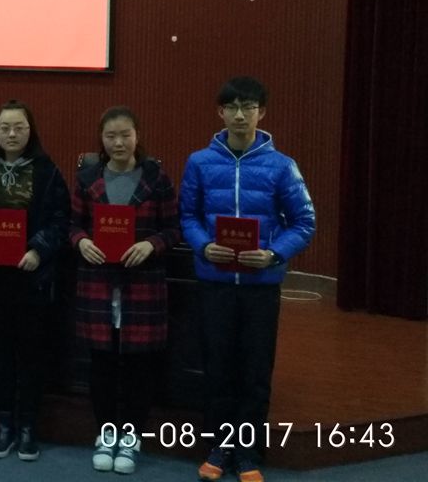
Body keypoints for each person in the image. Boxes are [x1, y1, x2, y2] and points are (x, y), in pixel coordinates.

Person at [180, 77, 315, 482]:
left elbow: (304, 222)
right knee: (217, 368)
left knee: (255, 372)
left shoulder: (281, 166)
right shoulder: (199, 162)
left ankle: (249, 453)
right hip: (215, 284)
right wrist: (204, 246)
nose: (240, 115)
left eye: (249, 107)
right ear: (220, 112)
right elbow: (188, 216)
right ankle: (220, 448)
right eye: (233, 107)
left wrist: (273, 254)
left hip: (261, 288)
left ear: (262, 112)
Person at [0, 99, 70, 461]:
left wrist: (38, 250)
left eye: (19, 127)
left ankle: (28, 427)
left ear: (30, 130)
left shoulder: (47, 170)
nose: (11, 134)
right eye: (4, 127)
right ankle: (4, 424)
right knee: (0, 354)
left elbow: (60, 220)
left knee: (32, 355)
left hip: (32, 278)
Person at [70, 106, 181, 475]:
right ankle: (106, 434)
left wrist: (152, 245)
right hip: (98, 282)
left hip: (142, 283)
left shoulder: (157, 179)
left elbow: (174, 228)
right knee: (101, 363)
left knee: (138, 366)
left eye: (125, 135)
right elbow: (72, 224)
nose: (118, 142)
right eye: (110, 136)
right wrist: (82, 241)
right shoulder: (87, 178)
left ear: (137, 136)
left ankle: (131, 438)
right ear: (101, 140)